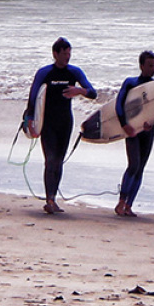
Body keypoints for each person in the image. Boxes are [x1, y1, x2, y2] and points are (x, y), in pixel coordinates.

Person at [26, 37, 96, 214]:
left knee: (59, 161)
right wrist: (29, 121)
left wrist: (79, 91)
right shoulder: (44, 73)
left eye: (69, 54)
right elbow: (33, 98)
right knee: (50, 161)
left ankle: (53, 199)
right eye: (64, 54)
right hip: (47, 122)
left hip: (65, 122)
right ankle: (49, 199)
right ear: (55, 54)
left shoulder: (74, 72)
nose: (67, 57)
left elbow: (93, 93)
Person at [115, 50, 154, 218]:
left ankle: (129, 205)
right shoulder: (130, 83)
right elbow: (119, 105)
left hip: (147, 131)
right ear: (141, 66)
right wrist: (124, 125)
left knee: (140, 168)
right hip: (132, 129)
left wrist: (152, 122)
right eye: (149, 65)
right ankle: (121, 202)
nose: (152, 68)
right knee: (133, 164)